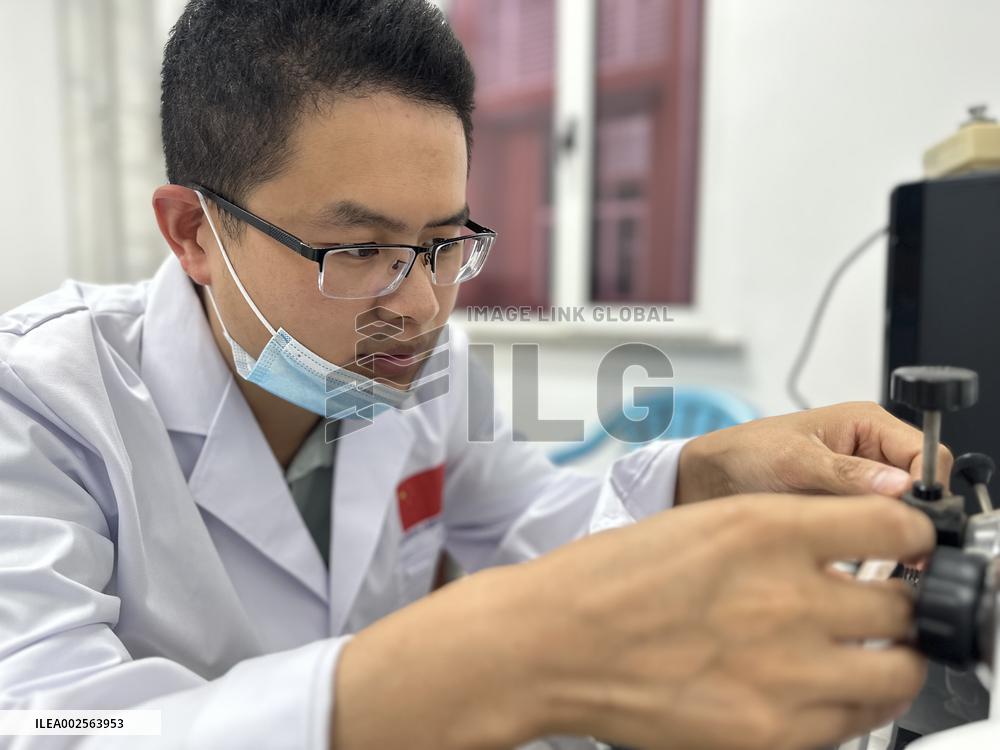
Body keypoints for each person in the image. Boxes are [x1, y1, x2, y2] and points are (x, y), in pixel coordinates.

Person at [0, 1, 946, 748]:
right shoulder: (43, 403)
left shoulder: (419, 368)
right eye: (360, 247)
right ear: (195, 233)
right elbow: (50, 720)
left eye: (445, 243)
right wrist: (471, 665)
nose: (418, 306)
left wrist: (707, 476)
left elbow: (536, 527)